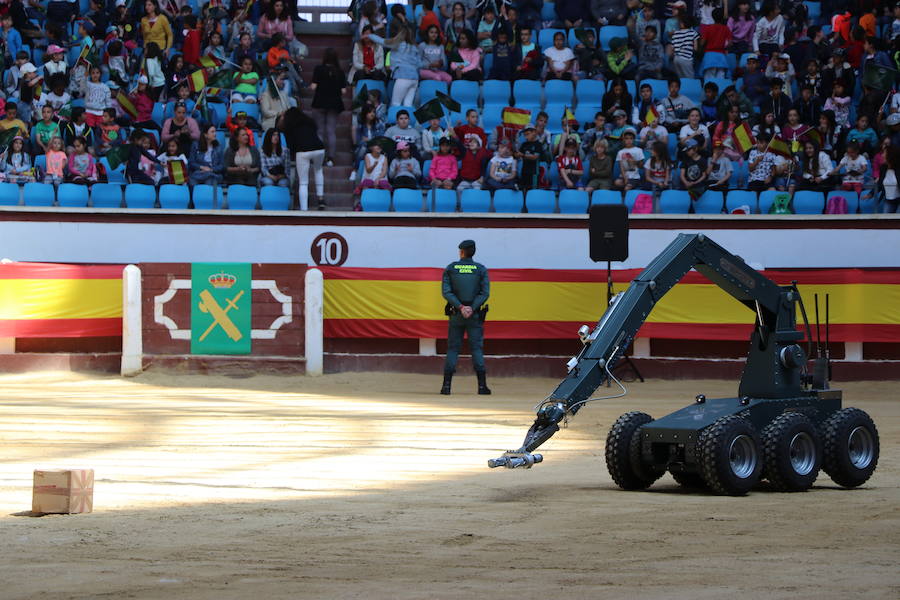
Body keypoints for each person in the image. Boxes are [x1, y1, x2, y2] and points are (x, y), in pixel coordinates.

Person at [440, 239, 491, 395]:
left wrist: (460, 307)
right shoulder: (480, 269)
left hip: (456, 314)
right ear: (473, 252)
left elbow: (446, 292)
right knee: (476, 348)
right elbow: (484, 293)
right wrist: (471, 308)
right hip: (474, 315)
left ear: (461, 252)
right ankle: (482, 387)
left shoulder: (451, 268)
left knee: (453, 349)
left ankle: (446, 386)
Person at [311, 48, 348, 167]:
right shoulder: (340, 72)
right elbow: (344, 91)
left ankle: (319, 158)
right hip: (334, 104)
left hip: (320, 102)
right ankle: (331, 158)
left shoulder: (318, 69)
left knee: (320, 131)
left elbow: (313, 87)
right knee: (331, 131)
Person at [365, 27, 420, 106]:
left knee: (395, 103)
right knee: (408, 104)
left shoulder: (397, 44)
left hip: (403, 76)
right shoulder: (414, 47)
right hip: (415, 79)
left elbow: (382, 41)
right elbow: (419, 64)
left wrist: (369, 35)